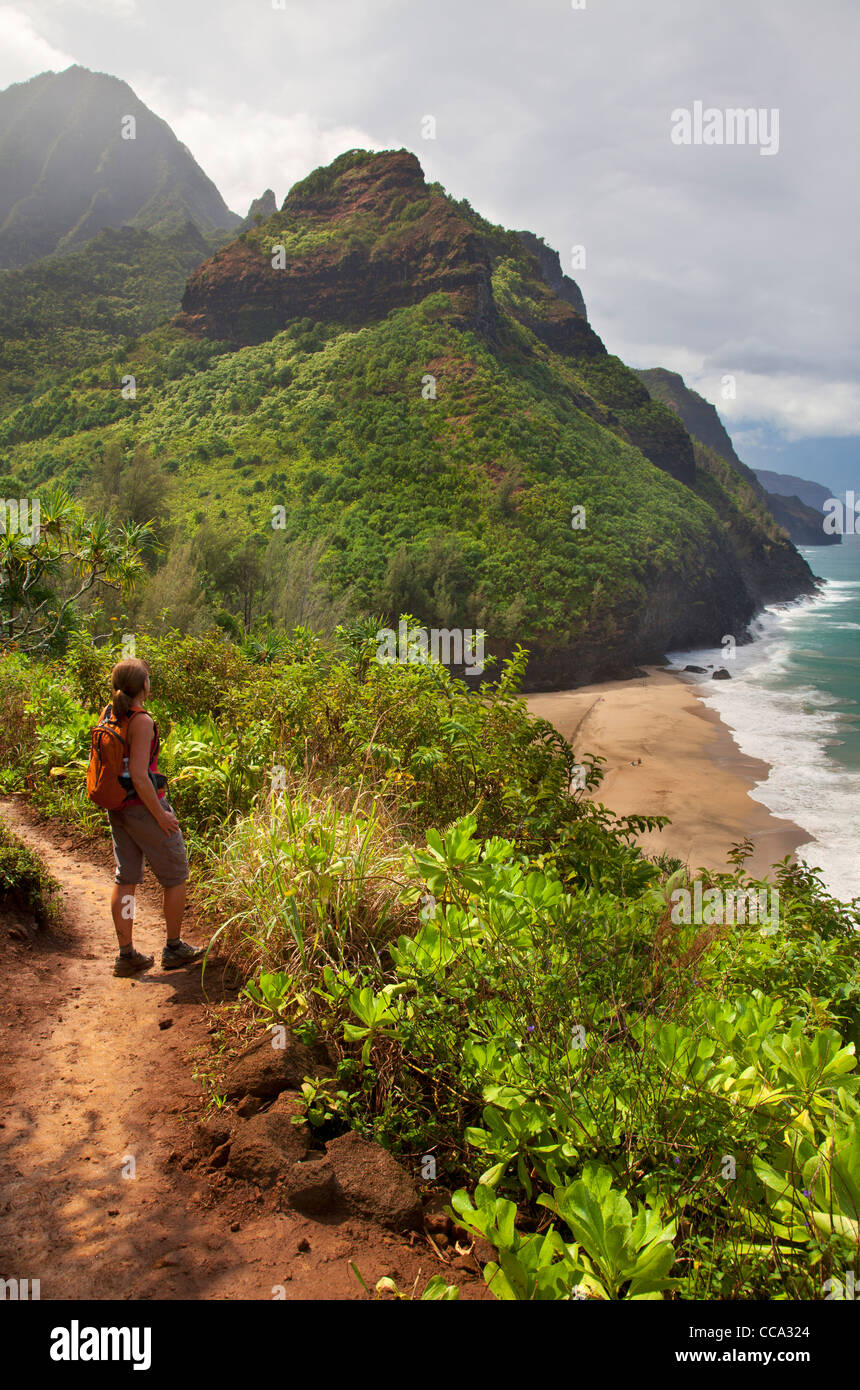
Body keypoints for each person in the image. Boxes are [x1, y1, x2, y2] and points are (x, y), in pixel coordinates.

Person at [105, 657, 203, 978]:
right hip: (143, 808)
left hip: (118, 808)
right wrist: (160, 815)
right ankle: (173, 947)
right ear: (143, 685)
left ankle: (126, 953)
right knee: (176, 875)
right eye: (147, 677)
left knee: (127, 877)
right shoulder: (142, 721)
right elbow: (139, 775)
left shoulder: (111, 713)